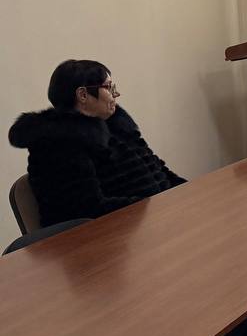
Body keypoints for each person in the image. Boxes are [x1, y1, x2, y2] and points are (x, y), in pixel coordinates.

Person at [8, 59, 185, 226]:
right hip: (112, 235)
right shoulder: (57, 144)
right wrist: (153, 209)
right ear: (83, 95)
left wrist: (188, 192)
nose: (116, 94)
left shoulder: (116, 125)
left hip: (152, 220)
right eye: (108, 88)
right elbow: (88, 209)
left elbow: (158, 170)